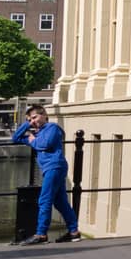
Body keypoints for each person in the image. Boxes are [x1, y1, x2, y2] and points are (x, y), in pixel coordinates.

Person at [11, 104, 81, 245]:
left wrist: (33, 141)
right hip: (51, 169)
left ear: (44, 115)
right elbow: (15, 138)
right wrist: (26, 125)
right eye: (30, 119)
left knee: (44, 200)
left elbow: (45, 144)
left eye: (35, 117)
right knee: (60, 202)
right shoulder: (36, 134)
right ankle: (74, 232)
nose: (33, 121)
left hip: (55, 167)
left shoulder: (52, 128)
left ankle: (41, 234)